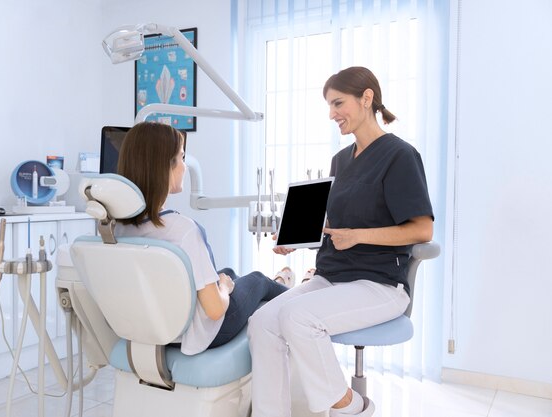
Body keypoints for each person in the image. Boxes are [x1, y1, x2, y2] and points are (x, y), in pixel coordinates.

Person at [247, 66, 434, 417]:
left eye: (338, 103)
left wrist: (360, 237)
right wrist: (299, 238)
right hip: (332, 276)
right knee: (262, 321)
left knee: (298, 317)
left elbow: (422, 230)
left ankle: (351, 405)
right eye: (329, 106)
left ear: (367, 99)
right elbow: (336, 226)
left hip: (379, 282)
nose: (332, 114)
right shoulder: (340, 160)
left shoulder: (400, 156)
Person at [113, 121, 289, 356]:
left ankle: (268, 282)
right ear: (164, 166)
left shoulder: (117, 228)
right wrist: (224, 289)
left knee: (226, 272)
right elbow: (215, 311)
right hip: (201, 333)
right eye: (182, 158)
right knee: (257, 280)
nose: (185, 167)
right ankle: (294, 293)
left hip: (156, 328)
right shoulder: (183, 230)